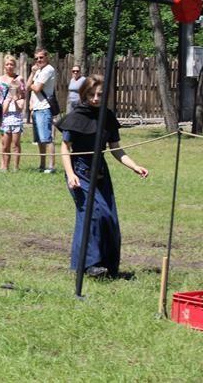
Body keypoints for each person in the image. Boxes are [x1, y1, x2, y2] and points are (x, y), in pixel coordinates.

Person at [57, 75, 149, 278]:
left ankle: (107, 265)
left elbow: (116, 149)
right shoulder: (76, 116)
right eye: (91, 94)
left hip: (100, 172)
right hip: (80, 172)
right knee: (92, 214)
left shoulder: (107, 116)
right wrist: (71, 174)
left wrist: (134, 166)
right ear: (84, 94)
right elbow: (65, 148)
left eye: (99, 94)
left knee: (109, 216)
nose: (96, 98)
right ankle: (90, 265)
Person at [26, 48, 57, 173]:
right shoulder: (39, 71)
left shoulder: (48, 70)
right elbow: (27, 87)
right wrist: (32, 74)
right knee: (39, 139)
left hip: (44, 108)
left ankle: (51, 166)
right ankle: (42, 165)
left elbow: (37, 88)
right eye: (36, 58)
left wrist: (32, 85)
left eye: (41, 57)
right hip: (37, 108)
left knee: (47, 138)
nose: (39, 60)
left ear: (47, 57)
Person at [0, 55, 25, 172]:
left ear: (15, 66)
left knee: (16, 143)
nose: (9, 66)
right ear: (4, 66)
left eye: (11, 64)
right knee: (4, 140)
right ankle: (3, 165)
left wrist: (17, 99)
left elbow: (23, 94)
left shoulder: (19, 79)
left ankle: (16, 167)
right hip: (4, 112)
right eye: (7, 64)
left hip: (16, 111)